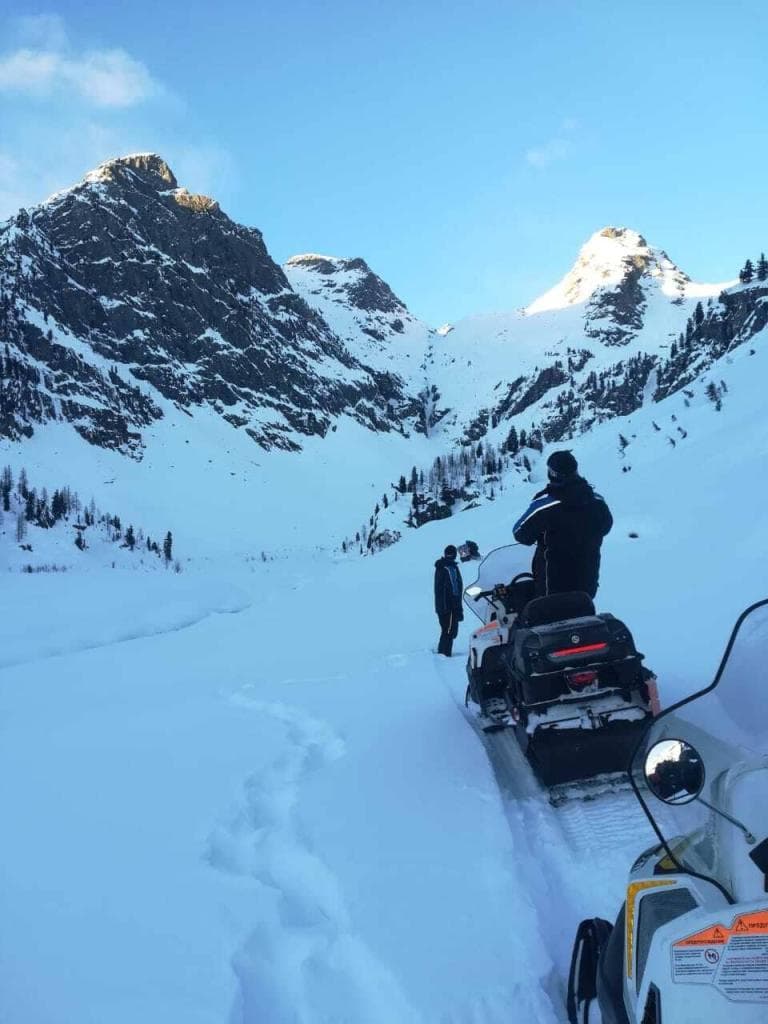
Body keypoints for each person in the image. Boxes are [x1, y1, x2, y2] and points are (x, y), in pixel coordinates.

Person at [512, 450, 612, 599]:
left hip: (552, 587)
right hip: (587, 585)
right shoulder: (597, 501)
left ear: (553, 473)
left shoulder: (546, 505)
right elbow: (606, 526)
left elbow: (520, 533)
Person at [434, 544, 464, 656]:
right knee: (449, 631)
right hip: (449, 607)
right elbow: (454, 589)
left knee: (447, 630)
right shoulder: (449, 568)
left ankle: (443, 653)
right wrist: (457, 608)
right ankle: (445, 654)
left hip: (443, 606)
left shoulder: (443, 566)